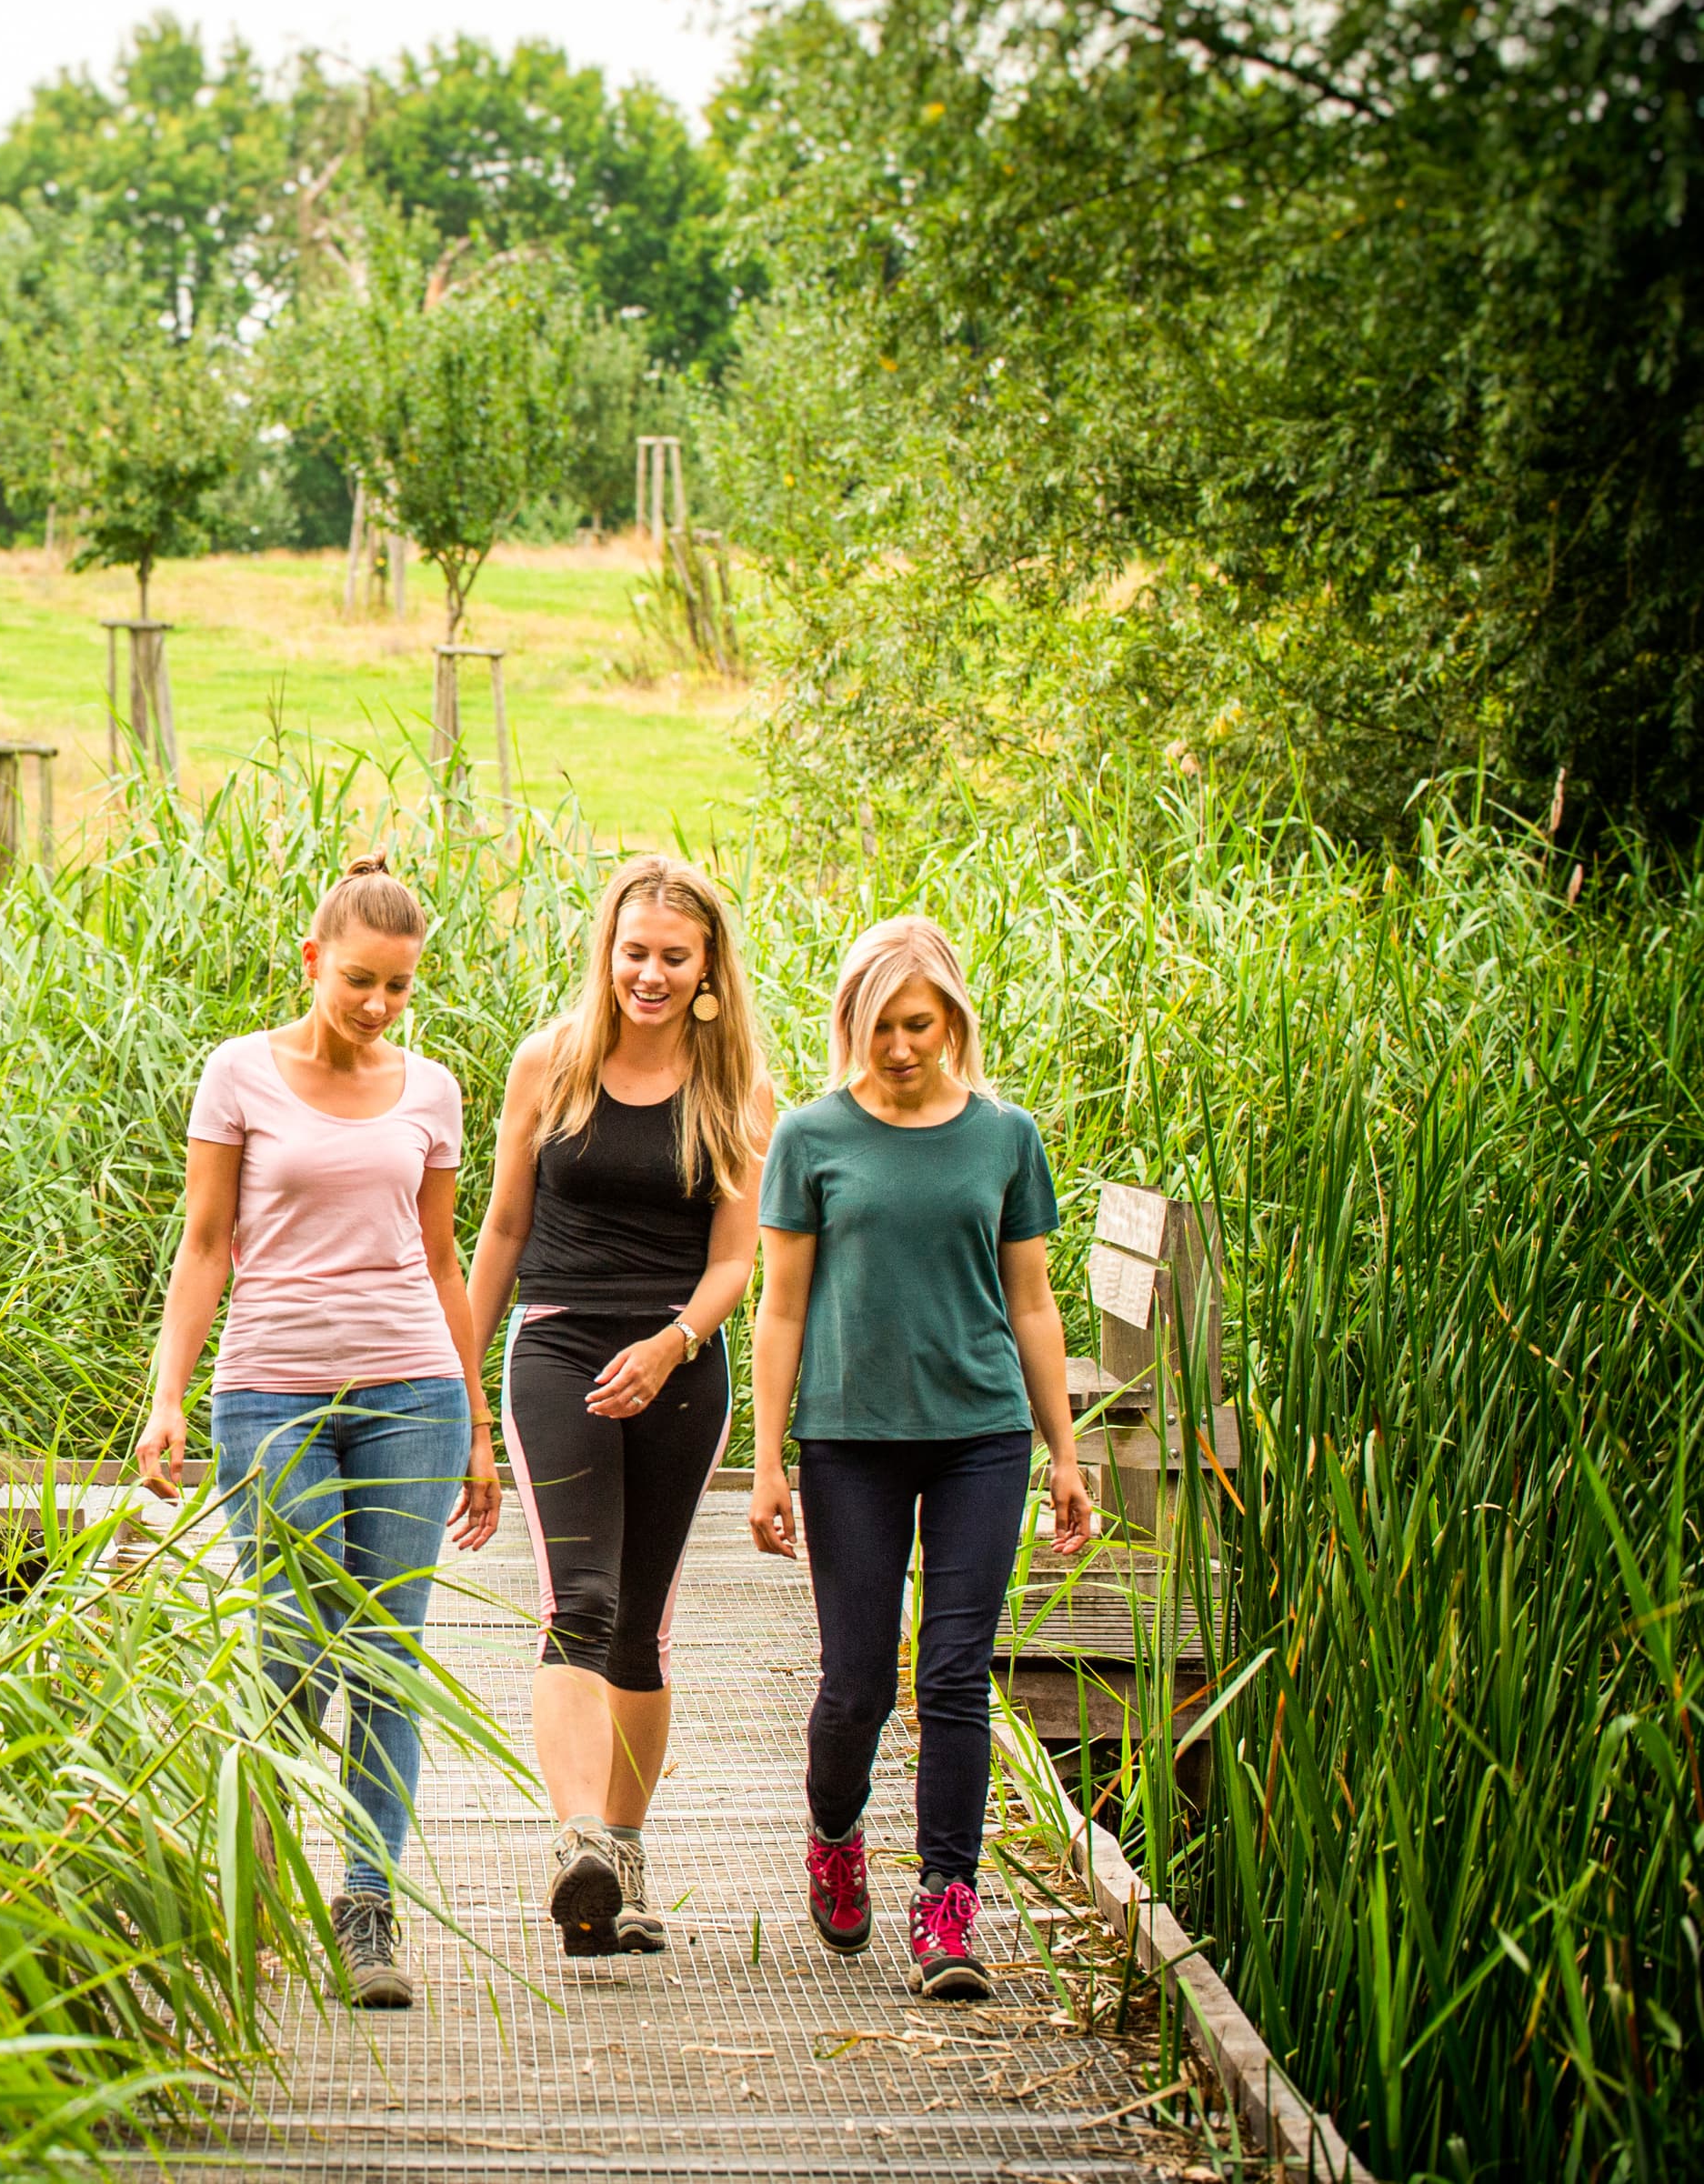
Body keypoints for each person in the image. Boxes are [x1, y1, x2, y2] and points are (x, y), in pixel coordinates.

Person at [134, 854, 503, 2012]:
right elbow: (205, 1247)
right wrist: (166, 1394)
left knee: (387, 1654)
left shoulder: (433, 1090)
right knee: (293, 1637)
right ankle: (263, 1863)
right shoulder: (239, 1075)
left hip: (415, 1396)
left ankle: (368, 1901)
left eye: (399, 987)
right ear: (311, 961)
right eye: (359, 982)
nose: (380, 1006)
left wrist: (481, 1424)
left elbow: (443, 1260)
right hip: (270, 1394)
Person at [748, 916, 1094, 2001]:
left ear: (952, 1020)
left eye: (919, 1024)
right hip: (850, 1439)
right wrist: (766, 1461)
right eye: (879, 1026)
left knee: (952, 1677)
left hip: (981, 1438)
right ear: (851, 1022)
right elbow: (781, 1310)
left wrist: (1064, 1453)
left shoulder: (1004, 1137)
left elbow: (1033, 1301)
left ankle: (948, 1904)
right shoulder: (811, 1137)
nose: (900, 1047)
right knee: (856, 1683)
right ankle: (835, 1833)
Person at [466, 856, 773, 1959]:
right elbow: (500, 1233)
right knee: (579, 1603)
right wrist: (463, 1395)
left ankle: (624, 1861)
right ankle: (579, 1840)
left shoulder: (735, 1088)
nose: (648, 972)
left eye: (672, 958)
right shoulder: (549, 1063)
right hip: (556, 1347)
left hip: (681, 1363)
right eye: (633, 951)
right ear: (608, 951)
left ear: (706, 972)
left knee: (642, 1626)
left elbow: (738, 1260)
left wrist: (674, 1341)